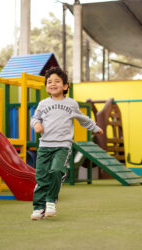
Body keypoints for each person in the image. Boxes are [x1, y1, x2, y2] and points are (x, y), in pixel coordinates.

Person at [29, 67, 103, 220]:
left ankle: (51, 201)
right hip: (44, 146)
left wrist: (95, 128)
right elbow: (35, 118)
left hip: (63, 145)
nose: (52, 84)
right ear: (46, 86)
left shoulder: (71, 104)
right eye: (49, 82)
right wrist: (36, 124)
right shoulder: (43, 104)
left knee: (56, 171)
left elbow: (83, 119)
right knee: (41, 176)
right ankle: (38, 208)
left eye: (57, 81)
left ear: (65, 86)